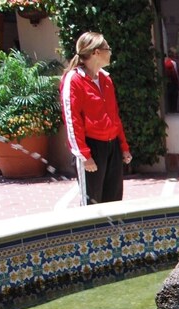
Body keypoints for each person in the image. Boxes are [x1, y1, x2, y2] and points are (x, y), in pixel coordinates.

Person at [60, 31, 132, 204]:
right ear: (96, 52)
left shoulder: (106, 79)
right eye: (107, 48)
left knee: (114, 199)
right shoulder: (74, 80)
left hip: (112, 145)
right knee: (92, 203)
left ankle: (112, 232)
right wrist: (84, 155)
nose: (110, 52)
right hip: (91, 147)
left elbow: (114, 116)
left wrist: (123, 146)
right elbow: (72, 120)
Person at [163, 46, 179, 112]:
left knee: (169, 99)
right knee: (174, 99)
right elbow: (176, 75)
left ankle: (169, 110)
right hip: (173, 84)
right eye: (175, 54)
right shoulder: (173, 63)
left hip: (167, 83)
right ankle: (175, 110)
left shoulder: (165, 61)